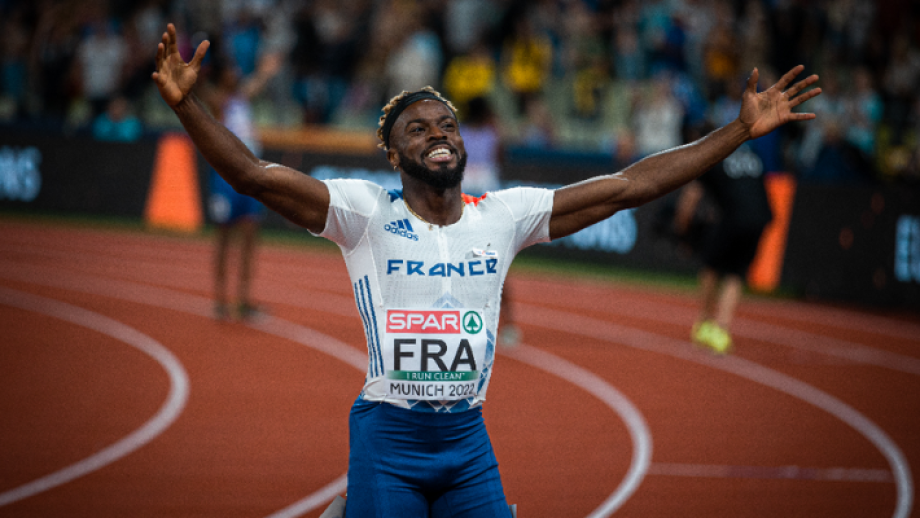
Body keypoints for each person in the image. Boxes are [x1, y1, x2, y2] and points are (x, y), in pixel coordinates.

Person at [152, 23, 820, 517]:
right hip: (390, 434)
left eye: (445, 123)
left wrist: (735, 132)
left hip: (467, 439)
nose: (437, 132)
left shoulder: (503, 214)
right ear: (392, 153)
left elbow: (628, 186)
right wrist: (187, 105)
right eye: (417, 128)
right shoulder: (362, 212)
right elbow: (249, 174)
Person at [673, 123, 774, 355]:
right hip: (760, 217)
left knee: (710, 266)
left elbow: (691, 196)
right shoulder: (749, 151)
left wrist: (682, 231)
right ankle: (722, 329)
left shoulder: (712, 154)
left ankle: (705, 322)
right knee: (735, 272)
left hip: (734, 217)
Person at [202, 53, 281, 320]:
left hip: (251, 179)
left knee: (249, 239)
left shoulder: (240, 100)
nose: (236, 74)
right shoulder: (218, 102)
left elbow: (254, 84)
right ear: (221, 76)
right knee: (224, 240)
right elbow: (201, 90)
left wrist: (266, 71)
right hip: (225, 180)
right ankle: (221, 300)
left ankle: (244, 300)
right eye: (231, 70)